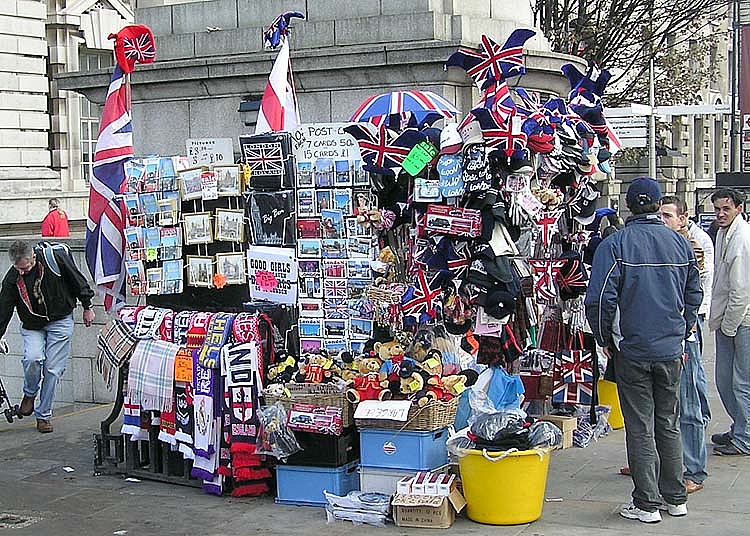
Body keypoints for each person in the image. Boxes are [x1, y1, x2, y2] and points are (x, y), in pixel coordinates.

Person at [585, 177, 702, 523]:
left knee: (640, 425)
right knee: (668, 422)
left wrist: (604, 338)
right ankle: (675, 497)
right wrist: (684, 330)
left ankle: (646, 503)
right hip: (670, 347)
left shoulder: (616, 244)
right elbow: (693, 293)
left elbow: (601, 298)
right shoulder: (680, 244)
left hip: (632, 347)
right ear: (656, 205)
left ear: (629, 205)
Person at [0, 240, 95, 433]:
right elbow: (4, 309)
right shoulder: (12, 278)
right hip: (33, 324)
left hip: (60, 319)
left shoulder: (54, 259)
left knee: (52, 370)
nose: (22, 273)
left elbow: (77, 279)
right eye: (18, 269)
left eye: (25, 269)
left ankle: (43, 415)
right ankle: (29, 394)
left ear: (33, 257)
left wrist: (87, 307)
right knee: (33, 358)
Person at [658, 195, 713, 493]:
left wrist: (689, 325)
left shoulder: (693, 245)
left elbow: (695, 295)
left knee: (688, 401)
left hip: (684, 334)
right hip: (660, 334)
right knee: (659, 403)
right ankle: (656, 462)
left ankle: (694, 469)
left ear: (683, 218)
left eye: (668, 215)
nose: (662, 220)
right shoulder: (661, 244)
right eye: (660, 215)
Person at [708, 188, 750, 456]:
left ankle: (745, 437)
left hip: (742, 320)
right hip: (728, 318)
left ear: (739, 208)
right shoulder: (724, 233)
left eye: (726, 208)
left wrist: (730, 326)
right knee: (725, 379)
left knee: (740, 381)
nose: (721, 214)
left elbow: (741, 289)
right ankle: (740, 427)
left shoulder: (741, 238)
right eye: (717, 209)